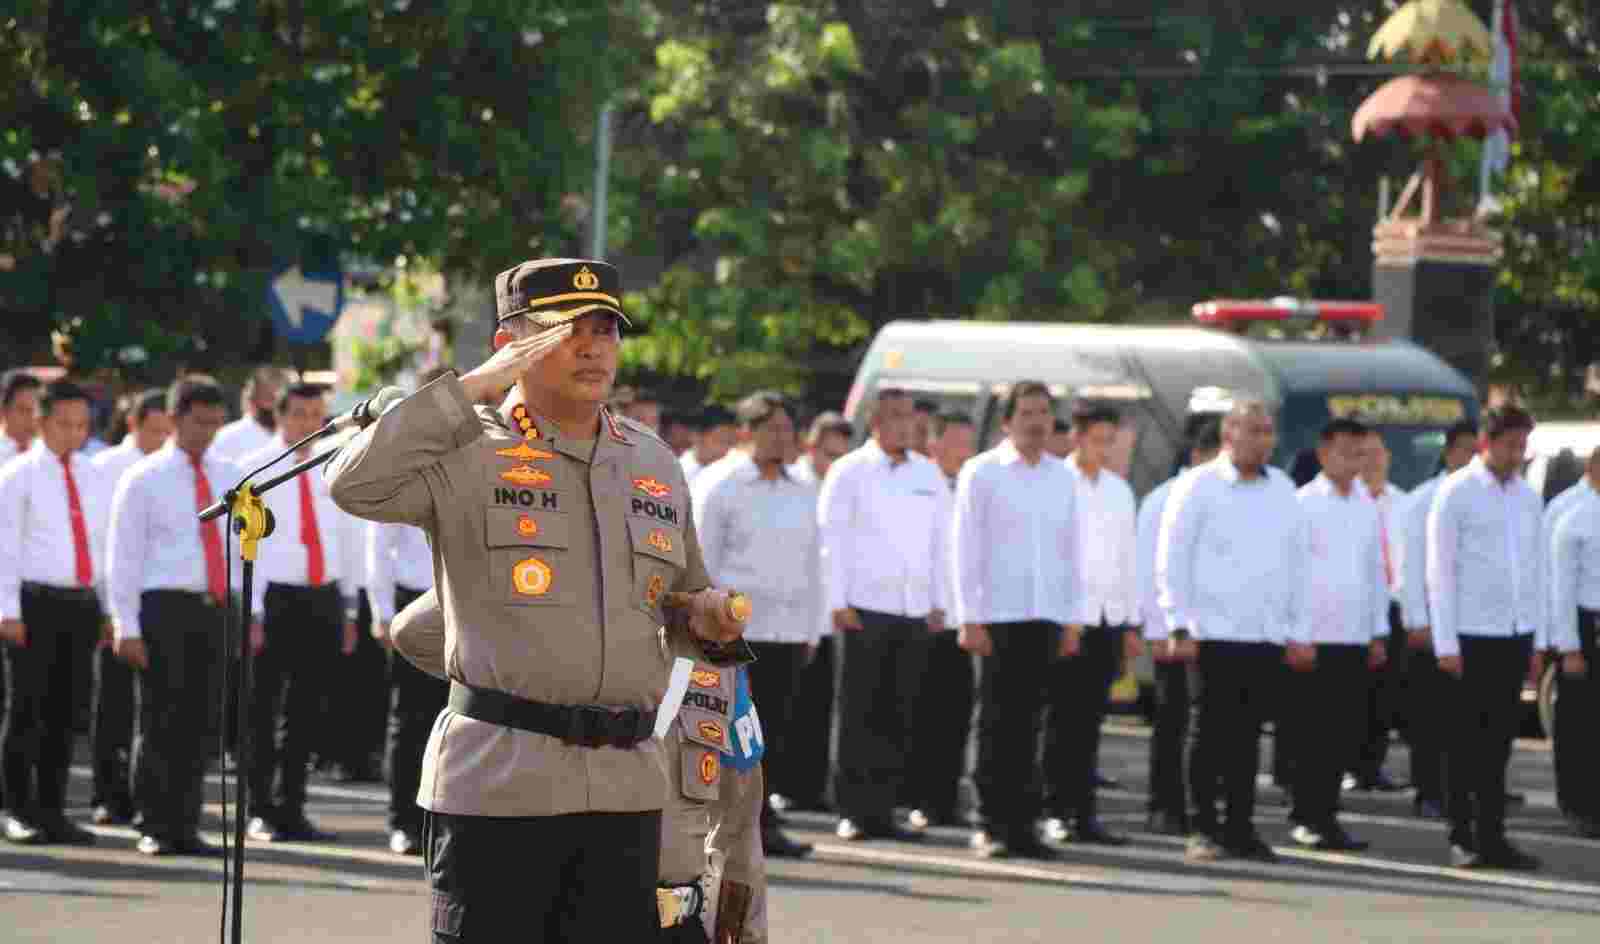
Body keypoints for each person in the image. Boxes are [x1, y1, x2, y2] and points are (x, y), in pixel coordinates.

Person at [325, 257, 747, 941]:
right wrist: (469, 392)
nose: (592, 345)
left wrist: (704, 616)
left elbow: (682, 598)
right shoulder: (465, 451)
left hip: (626, 791)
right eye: (563, 329)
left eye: (606, 327)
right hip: (500, 786)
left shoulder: (652, 461)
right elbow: (355, 485)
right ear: (509, 343)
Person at [389, 586, 769, 943]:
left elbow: (739, 817)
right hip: (544, 902)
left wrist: (747, 934)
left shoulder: (711, 631)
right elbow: (413, 633)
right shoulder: (549, 596)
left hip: (670, 922)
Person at [1158, 399, 1305, 863]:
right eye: (1253, 431)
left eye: (1268, 432)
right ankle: (1202, 828)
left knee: (1246, 737)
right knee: (1208, 734)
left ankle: (1240, 828)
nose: (1264, 440)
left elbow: (1295, 562)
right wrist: (1178, 621)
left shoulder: (1282, 489)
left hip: (1263, 631)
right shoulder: (1198, 487)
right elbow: (1173, 558)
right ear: (1229, 435)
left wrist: (1294, 626)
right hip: (1211, 630)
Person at [952, 381, 1088, 859]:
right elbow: (965, 549)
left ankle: (1024, 822)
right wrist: (969, 617)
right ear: (1007, 421)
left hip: (1045, 614)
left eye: (1044, 413)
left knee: (1033, 724)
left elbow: (1072, 551)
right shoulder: (982, 472)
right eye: (1026, 412)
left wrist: (1073, 619)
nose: (1036, 421)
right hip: (996, 615)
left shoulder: (1063, 477)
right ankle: (989, 822)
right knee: (994, 722)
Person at [105, 378, 231, 856]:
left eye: (216, 424)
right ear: (176, 418)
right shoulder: (144, 477)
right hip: (162, 608)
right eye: (200, 422)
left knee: (201, 723)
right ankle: (155, 823)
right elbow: (123, 557)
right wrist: (126, 624)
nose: (208, 433)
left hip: (213, 607)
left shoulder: (230, 473)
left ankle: (186, 821)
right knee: (160, 721)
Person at [818, 387, 950, 842]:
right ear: (875, 421)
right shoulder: (849, 472)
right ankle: (854, 809)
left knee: (900, 713)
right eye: (894, 417)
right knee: (858, 712)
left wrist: (940, 601)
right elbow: (830, 541)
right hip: (862, 608)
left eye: (910, 418)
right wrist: (837, 601)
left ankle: (885, 808)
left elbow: (941, 543)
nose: (905, 426)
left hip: (913, 609)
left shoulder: (929, 474)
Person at [692, 391, 818, 859]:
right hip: (734, 634)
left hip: (786, 629)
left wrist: (811, 626)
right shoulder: (721, 483)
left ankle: (764, 820)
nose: (782, 439)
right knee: (732, 732)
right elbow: (701, 562)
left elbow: (811, 562)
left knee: (775, 732)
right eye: (772, 429)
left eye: (788, 429)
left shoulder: (803, 487)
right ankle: (726, 822)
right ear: (746, 432)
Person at [240, 382, 360, 843]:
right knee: (264, 709)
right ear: (280, 415)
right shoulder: (257, 467)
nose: (309, 423)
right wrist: (250, 612)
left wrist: (349, 607)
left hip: (323, 597)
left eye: (317, 414)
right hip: (274, 599)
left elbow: (347, 537)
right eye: (299, 414)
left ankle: (293, 806)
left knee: (306, 711)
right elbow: (243, 542)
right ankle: (260, 808)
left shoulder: (334, 462)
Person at [1426, 404, 1543, 871]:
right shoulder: (1456, 492)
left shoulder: (1527, 497)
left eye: (1522, 446)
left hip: (1512, 633)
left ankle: (1494, 836)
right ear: (1486, 442)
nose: (1517, 454)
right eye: (1509, 444)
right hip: (1469, 635)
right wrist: (1446, 643)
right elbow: (1440, 571)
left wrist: (1535, 637)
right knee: (1464, 743)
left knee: (1498, 745)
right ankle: (1463, 836)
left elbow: (1533, 570)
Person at [0, 380, 107, 845]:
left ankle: (53, 808)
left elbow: (101, 542)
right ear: (41, 422)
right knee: (28, 709)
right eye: (63, 423)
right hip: (34, 602)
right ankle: (17, 809)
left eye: (82, 425)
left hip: (79, 602)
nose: (73, 433)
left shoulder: (94, 473)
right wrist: (7, 610)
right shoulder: (17, 475)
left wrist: (105, 605)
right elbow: (5, 548)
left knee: (67, 711)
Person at [1289, 418, 1388, 851]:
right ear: (1325, 452)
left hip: (1353, 635)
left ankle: (1327, 816)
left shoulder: (1366, 504)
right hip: (1315, 636)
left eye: (1360, 453)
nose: (1355, 461)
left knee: (1343, 732)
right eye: (1347, 451)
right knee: (1311, 732)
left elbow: (1374, 574)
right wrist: (1297, 634)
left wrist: (1377, 631)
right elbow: (1289, 576)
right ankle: (1305, 815)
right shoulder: (1303, 504)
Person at [1043, 403, 1138, 846]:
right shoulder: (1056, 484)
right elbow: (1054, 557)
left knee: (1089, 723)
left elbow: (1125, 559)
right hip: (1069, 619)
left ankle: (1084, 813)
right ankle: (1056, 810)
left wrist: (1130, 622)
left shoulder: (1119, 490)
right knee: (1062, 721)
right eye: (1097, 439)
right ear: (1078, 437)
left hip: (1108, 618)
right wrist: (1065, 618)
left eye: (1110, 441)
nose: (1104, 449)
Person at [86, 389, 173, 826]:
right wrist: (109, 609)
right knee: (114, 706)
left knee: (153, 709)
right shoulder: (104, 469)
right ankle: (107, 794)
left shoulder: (170, 470)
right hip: (114, 604)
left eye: (166, 430)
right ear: (134, 424)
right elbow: (103, 545)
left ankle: (147, 797)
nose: (161, 438)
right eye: (154, 429)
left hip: (157, 606)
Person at [1137, 420, 1221, 835]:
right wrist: (1158, 627)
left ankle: (1198, 804)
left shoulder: (1226, 497)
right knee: (1173, 721)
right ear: (1198, 454)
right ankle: (1163, 803)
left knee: (1208, 724)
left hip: (1217, 629)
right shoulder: (1163, 499)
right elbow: (1151, 569)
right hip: (1175, 629)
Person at [1398, 418, 1479, 819]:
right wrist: (1417, 620)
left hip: (1475, 624)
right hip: (1431, 623)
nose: (1472, 458)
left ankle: (1468, 790)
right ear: (1448, 453)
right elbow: (1410, 567)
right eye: (1465, 450)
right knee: (1431, 716)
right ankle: (1429, 790)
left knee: (1471, 716)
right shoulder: (1423, 500)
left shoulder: (1488, 497)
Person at [774, 412, 853, 814]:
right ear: (811, 446)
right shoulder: (799, 485)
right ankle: (788, 785)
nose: (834, 463)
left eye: (842, 455)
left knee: (822, 705)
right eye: (828, 453)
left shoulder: (841, 486)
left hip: (828, 617)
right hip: (792, 617)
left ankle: (812, 784)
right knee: (794, 708)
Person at [907, 410, 976, 830]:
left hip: (964, 618)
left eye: (969, 444)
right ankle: (919, 797)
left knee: (956, 714)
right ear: (934, 445)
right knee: (922, 714)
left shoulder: (971, 484)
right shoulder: (919, 482)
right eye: (956, 442)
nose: (964, 452)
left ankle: (945, 798)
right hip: (925, 615)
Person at [1350, 428, 1409, 794]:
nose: (1372, 461)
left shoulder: (1403, 502)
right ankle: (1350, 763)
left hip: (1394, 605)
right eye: (1363, 454)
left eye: (1377, 453)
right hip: (1355, 608)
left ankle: (1373, 764)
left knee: (1385, 694)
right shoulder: (1348, 502)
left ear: (1388, 456)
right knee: (1354, 692)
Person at [1547, 447, 1600, 839]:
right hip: (1584, 627)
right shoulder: (1572, 517)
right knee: (1581, 724)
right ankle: (1579, 805)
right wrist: (1568, 646)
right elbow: (1560, 590)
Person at [209, 366, 287, 464]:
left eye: (280, 399)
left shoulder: (293, 436)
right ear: (252, 399)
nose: (275, 404)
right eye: (268, 397)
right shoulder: (227, 437)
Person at [787, 412, 852, 486]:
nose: (837, 464)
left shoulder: (844, 484)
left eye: (842, 458)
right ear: (811, 448)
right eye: (832, 455)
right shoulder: (788, 481)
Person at [681, 405, 737, 486]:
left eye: (729, 441)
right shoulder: (676, 474)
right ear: (696, 436)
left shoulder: (735, 470)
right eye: (721, 439)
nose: (726, 447)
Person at [0, 370, 43, 464]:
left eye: (37, 411)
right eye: (24, 410)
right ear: (4, 411)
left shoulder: (46, 452)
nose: (33, 418)